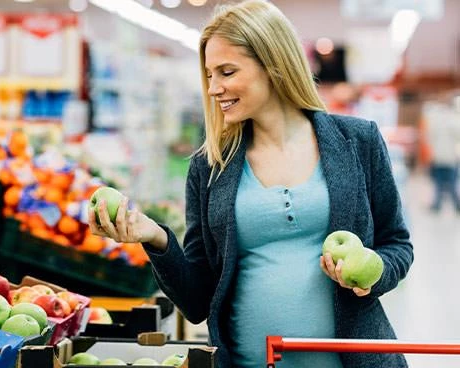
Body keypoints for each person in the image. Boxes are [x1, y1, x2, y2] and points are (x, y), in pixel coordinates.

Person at [87, 1, 414, 367]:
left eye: (227, 72)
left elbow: (397, 245)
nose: (213, 89)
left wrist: (373, 271)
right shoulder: (211, 165)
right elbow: (197, 301)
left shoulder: (357, 141)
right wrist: (157, 239)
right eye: (209, 75)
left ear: (273, 65)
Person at [422, 97, 460, 213]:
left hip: (438, 157)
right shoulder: (454, 121)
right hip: (450, 158)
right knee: (452, 183)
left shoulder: (435, 122)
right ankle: (456, 205)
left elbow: (429, 138)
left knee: (438, 183)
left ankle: (438, 205)